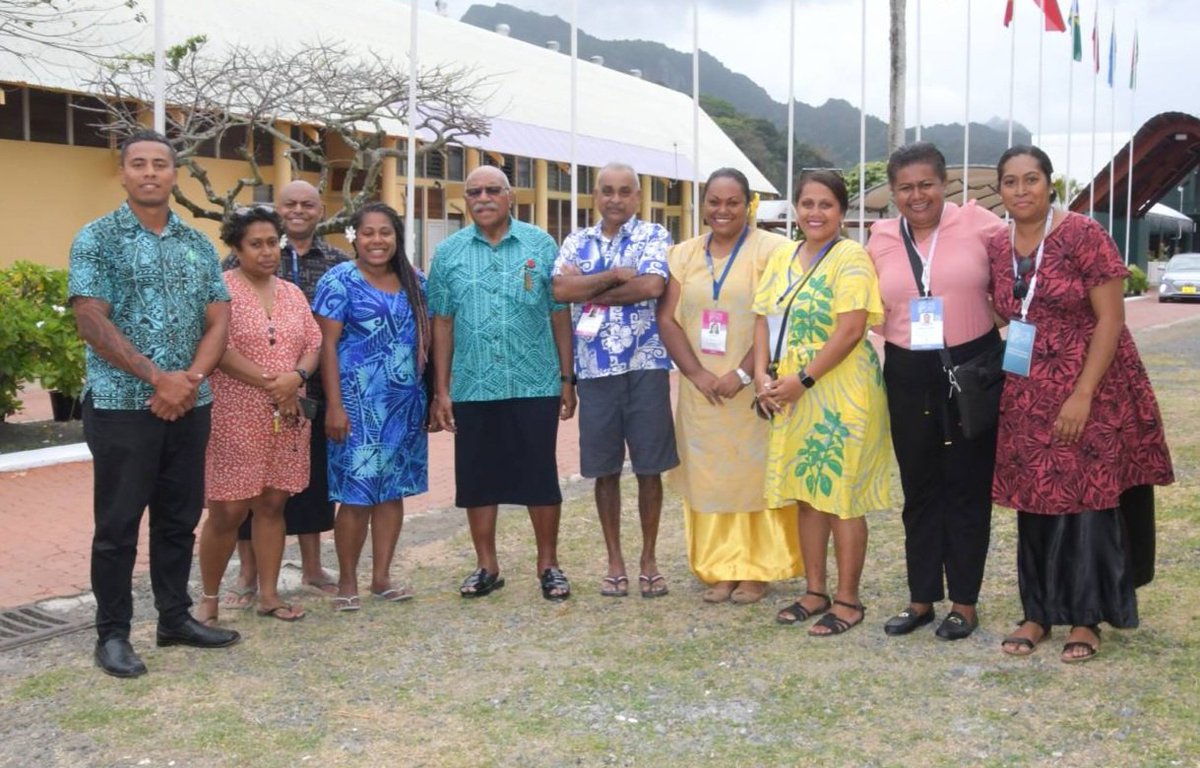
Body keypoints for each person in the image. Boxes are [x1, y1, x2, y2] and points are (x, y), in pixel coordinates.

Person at [988, 145, 1173, 662]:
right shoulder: (995, 243)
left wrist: (1083, 394)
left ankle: (1086, 618)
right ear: (999, 189)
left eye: (1031, 180)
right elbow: (1001, 308)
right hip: (1026, 387)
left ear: (1050, 184)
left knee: (1087, 497)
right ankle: (1037, 611)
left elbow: (1112, 319)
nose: (1021, 191)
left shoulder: (1083, 235)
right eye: (1010, 182)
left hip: (1091, 382)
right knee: (1035, 497)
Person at [69, 130, 239, 678]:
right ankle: (113, 634)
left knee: (178, 519)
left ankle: (175, 619)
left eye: (160, 165)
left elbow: (219, 319)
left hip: (192, 403)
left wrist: (186, 379)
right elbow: (91, 319)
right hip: (122, 405)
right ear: (122, 174)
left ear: (174, 175)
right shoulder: (97, 239)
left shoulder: (198, 245)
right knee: (117, 526)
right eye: (138, 164)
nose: (149, 173)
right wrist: (156, 378)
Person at [866, 142, 1006, 641]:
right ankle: (921, 598)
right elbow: (866, 307)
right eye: (905, 187)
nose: (916, 195)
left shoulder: (980, 226)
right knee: (919, 487)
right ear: (894, 192)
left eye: (926, 183)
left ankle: (964, 602)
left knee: (967, 487)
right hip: (907, 371)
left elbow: (1016, 288)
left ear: (944, 184)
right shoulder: (879, 237)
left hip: (971, 368)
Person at [428, 165, 577, 602]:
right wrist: (442, 389)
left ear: (510, 196)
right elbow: (442, 322)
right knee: (477, 477)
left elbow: (559, 313)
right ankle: (486, 566)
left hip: (535, 381)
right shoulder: (449, 253)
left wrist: (567, 379)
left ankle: (548, 564)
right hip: (473, 384)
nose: (484, 198)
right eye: (474, 191)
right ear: (466, 199)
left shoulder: (539, 244)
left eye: (493, 190)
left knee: (540, 476)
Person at [752, 170, 891, 636]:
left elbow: (851, 330)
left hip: (839, 389)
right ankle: (815, 590)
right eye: (807, 203)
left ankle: (848, 600)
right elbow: (763, 319)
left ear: (841, 211)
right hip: (790, 387)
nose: (815, 213)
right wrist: (759, 375)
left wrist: (803, 380)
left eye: (825, 205)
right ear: (795, 207)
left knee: (842, 496)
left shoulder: (851, 258)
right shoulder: (783, 257)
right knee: (808, 495)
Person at [657, 167, 802, 605]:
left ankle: (757, 568)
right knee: (709, 477)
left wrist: (743, 374)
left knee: (753, 475)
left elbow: (778, 317)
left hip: (754, 386)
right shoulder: (682, 254)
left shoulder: (774, 250)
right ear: (703, 205)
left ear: (748, 205)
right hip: (700, 389)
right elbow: (667, 318)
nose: (722, 210)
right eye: (714, 201)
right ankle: (720, 566)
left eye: (732, 202)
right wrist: (697, 374)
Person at [552, 163, 678, 599]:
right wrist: (612, 277)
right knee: (604, 471)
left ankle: (649, 559)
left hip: (645, 366)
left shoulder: (654, 235)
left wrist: (587, 288)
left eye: (625, 191)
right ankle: (614, 561)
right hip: (595, 371)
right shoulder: (576, 240)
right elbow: (560, 292)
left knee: (649, 468)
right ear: (595, 196)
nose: (615, 199)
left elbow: (651, 286)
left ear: (637, 197)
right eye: (607, 191)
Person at [222, 181, 350, 608]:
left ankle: (312, 567)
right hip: (243, 398)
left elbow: (324, 335)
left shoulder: (334, 260)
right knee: (244, 490)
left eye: (307, 204)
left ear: (320, 209)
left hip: (305, 394)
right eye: (289, 204)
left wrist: (300, 379)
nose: (298, 210)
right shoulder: (228, 272)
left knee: (301, 490)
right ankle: (249, 571)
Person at [194, 207, 321, 624]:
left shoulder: (292, 293)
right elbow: (218, 349)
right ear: (236, 247)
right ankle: (209, 597)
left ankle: (269, 595)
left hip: (286, 418)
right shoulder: (220, 290)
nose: (268, 252)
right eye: (256, 244)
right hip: (235, 415)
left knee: (272, 504)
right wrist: (275, 383)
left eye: (273, 243)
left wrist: (297, 376)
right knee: (228, 510)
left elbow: (313, 344)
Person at [313, 202, 431, 612]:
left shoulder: (415, 281)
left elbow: (424, 341)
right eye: (368, 233)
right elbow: (325, 346)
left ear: (397, 237)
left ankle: (381, 577)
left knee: (391, 492)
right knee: (357, 494)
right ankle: (348, 580)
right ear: (355, 237)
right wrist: (334, 406)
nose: (377, 240)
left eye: (385, 232)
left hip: (403, 404)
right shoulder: (339, 281)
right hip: (356, 405)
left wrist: (429, 397)